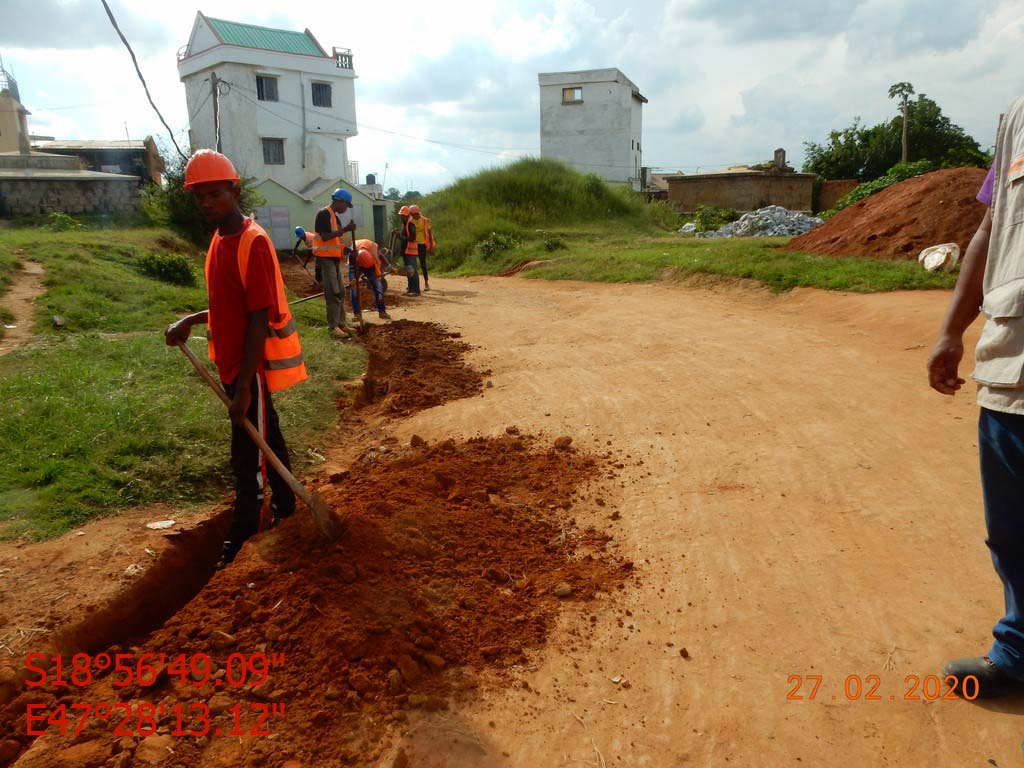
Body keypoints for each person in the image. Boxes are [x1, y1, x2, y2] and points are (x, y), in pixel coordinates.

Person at [164, 149, 306, 566]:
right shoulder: (219, 240)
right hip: (232, 367)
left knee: (247, 458)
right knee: (269, 436)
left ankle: (242, 540)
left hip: (250, 370)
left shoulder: (253, 242)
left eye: (214, 194)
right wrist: (190, 320)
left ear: (234, 190)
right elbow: (229, 306)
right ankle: (287, 506)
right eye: (200, 196)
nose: (207, 203)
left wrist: (244, 387)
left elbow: (259, 317)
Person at [928, 95, 1024, 698]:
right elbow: (991, 224)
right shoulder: (1016, 116)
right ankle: (1017, 652)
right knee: (1012, 531)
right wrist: (950, 330)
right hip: (1010, 370)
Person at [314, 189, 357, 339]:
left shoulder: (335, 218)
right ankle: (333, 327)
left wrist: (348, 250)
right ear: (339, 201)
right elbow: (325, 237)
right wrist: (345, 229)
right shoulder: (324, 214)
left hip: (334, 258)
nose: (346, 208)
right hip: (325, 259)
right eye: (346, 205)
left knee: (341, 291)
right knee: (333, 292)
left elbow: (336, 242)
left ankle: (341, 323)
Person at [349, 238, 391, 321]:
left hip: (369, 264)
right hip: (356, 263)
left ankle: (382, 311)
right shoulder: (352, 254)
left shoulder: (373, 250)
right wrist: (354, 279)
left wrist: (389, 266)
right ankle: (357, 314)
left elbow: (381, 257)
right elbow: (354, 269)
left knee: (378, 287)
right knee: (354, 289)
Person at [409, 204, 435, 291]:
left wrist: (431, 247)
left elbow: (430, 234)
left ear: (416, 213)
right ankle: (412, 285)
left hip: (422, 245)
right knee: (412, 265)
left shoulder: (424, 220)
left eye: (412, 214)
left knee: (423, 264)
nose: (411, 216)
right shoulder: (411, 221)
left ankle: (426, 283)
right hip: (413, 246)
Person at [398, 205, 421, 296]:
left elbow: (412, 238)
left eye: (403, 216)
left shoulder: (410, 224)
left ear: (407, 216)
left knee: (413, 271)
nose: (401, 217)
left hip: (411, 252)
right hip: (406, 252)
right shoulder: (404, 225)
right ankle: (411, 289)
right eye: (401, 215)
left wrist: (401, 237)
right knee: (408, 271)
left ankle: (416, 291)